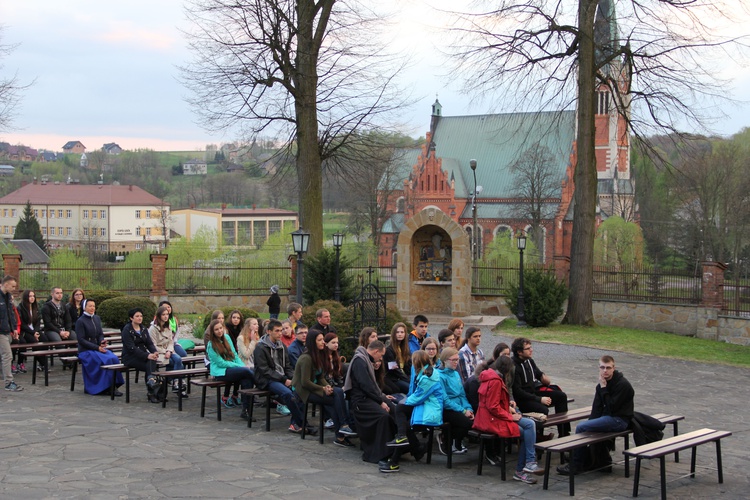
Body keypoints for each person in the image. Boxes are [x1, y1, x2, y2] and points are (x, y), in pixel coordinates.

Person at [557, 355, 635, 476]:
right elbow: (596, 409)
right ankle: (588, 457)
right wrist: (591, 423)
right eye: (602, 367)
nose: (605, 371)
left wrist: (604, 389)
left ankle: (577, 465)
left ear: (614, 368)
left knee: (581, 427)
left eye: (608, 368)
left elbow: (612, 408)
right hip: (609, 417)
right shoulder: (601, 385)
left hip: (620, 420)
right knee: (586, 426)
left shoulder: (622, 385)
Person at [474, 356, 545, 484]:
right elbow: (492, 407)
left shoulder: (491, 376)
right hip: (492, 420)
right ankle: (524, 467)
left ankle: (528, 463)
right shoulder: (495, 381)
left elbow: (494, 403)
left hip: (494, 416)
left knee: (530, 425)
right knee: (528, 431)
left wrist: (508, 407)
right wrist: (510, 416)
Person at [291, 329, 357, 447]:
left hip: (314, 388)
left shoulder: (320, 355)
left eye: (323, 340)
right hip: (303, 392)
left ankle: (342, 432)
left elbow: (320, 376)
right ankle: (343, 429)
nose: (323, 342)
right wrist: (323, 389)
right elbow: (305, 382)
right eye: (320, 340)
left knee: (336, 395)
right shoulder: (306, 358)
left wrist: (327, 386)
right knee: (336, 399)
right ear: (313, 342)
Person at [385, 350, 443, 471]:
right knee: (403, 421)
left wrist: (402, 401)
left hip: (430, 410)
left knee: (399, 410)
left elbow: (418, 397)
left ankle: (400, 449)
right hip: (425, 405)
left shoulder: (428, 377)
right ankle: (413, 450)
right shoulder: (425, 372)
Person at [343, 340, 397, 468]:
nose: (381, 358)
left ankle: (396, 448)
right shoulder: (360, 361)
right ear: (376, 351)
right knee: (383, 416)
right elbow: (366, 385)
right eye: (381, 355)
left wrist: (381, 398)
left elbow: (373, 386)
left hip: (368, 397)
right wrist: (380, 401)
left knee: (394, 410)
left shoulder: (366, 360)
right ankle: (378, 452)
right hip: (360, 401)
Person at [254, 319, 311, 434]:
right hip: (266, 380)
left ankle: (295, 423)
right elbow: (265, 370)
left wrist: (294, 379)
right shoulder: (260, 348)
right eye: (277, 331)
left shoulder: (282, 346)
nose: (280, 333)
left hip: (281, 377)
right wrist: (284, 379)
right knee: (287, 394)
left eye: (281, 330)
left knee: (300, 390)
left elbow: (287, 367)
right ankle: (302, 423)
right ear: (269, 331)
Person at [511, 337, 569, 431]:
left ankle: (564, 432)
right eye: (528, 348)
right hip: (522, 399)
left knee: (561, 396)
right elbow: (518, 391)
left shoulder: (530, 361)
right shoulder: (514, 366)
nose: (531, 350)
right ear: (519, 352)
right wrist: (539, 399)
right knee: (543, 409)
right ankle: (539, 436)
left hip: (534, 392)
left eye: (531, 347)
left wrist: (544, 378)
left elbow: (539, 374)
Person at [206, 318, 256, 420]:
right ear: (212, 332)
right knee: (247, 371)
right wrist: (240, 366)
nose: (219, 331)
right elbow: (221, 363)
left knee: (246, 378)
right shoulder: (211, 345)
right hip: (220, 371)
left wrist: (241, 365)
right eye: (216, 329)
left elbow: (235, 356)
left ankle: (246, 411)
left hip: (232, 368)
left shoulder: (227, 338)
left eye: (221, 328)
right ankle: (260, 382)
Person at [76, 299, 123, 396]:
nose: (92, 308)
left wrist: (101, 341)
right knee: (106, 360)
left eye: (93, 306)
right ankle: (105, 387)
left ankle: (113, 384)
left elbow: (100, 334)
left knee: (113, 358)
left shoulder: (97, 318)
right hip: (86, 351)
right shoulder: (80, 321)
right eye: (90, 306)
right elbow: (81, 340)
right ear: (84, 307)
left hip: (97, 348)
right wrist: (96, 347)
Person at [121, 308, 162, 403]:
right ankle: (151, 392)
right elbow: (131, 348)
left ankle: (151, 381)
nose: (140, 318)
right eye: (137, 316)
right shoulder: (127, 330)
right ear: (131, 318)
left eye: (141, 316)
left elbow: (149, 343)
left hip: (142, 355)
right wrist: (147, 355)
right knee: (150, 365)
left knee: (152, 361)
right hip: (130, 357)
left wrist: (154, 352)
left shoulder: (143, 328)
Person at [437, 348, 474, 455]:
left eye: (457, 360)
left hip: (459, 407)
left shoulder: (456, 374)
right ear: (444, 361)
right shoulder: (439, 376)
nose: (456, 362)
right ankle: (446, 437)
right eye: (453, 360)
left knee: (473, 420)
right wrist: (463, 411)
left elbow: (462, 395)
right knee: (467, 423)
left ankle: (453, 440)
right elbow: (445, 400)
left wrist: (468, 409)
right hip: (446, 409)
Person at [149, 305, 187, 398]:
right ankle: (175, 382)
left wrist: (169, 351)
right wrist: (165, 351)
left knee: (178, 359)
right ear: (159, 316)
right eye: (163, 315)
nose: (166, 316)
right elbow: (153, 346)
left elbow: (171, 341)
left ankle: (175, 382)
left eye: (167, 314)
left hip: (168, 350)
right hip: (158, 352)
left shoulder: (168, 326)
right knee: (174, 363)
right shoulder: (152, 329)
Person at [0, 275, 22, 392]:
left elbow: (11, 314)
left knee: (6, 356)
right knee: (7, 355)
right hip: (1, 332)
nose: (14, 288)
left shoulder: (8, 297)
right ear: (6, 284)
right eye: (12, 286)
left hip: (7, 331)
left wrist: (14, 328)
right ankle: (9, 382)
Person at [15, 289, 42, 374]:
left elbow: (38, 321)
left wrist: (36, 332)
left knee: (45, 339)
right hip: (25, 331)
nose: (32, 298)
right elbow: (22, 324)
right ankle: (20, 363)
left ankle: (42, 363)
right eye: (30, 296)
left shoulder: (35, 307)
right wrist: (33, 333)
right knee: (30, 342)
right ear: (26, 297)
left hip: (35, 331)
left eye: (33, 296)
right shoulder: (21, 307)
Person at [384, 322, 411, 395]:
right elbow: (394, 370)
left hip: (404, 376)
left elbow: (409, 365)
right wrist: (408, 380)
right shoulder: (389, 350)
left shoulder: (405, 349)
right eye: (397, 332)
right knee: (410, 388)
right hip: (395, 378)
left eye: (402, 332)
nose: (400, 334)